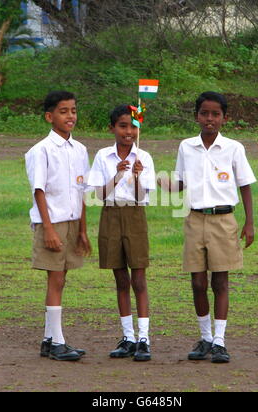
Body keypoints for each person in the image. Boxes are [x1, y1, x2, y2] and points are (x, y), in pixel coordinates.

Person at [158, 91, 256, 363]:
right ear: (196, 116)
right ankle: (205, 338)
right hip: (194, 219)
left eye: (215, 114)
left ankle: (220, 342)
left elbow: (245, 185)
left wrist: (249, 222)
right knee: (198, 281)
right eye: (204, 113)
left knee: (220, 281)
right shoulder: (186, 147)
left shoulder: (234, 148)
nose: (209, 119)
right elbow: (180, 183)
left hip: (223, 220)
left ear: (225, 118)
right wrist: (161, 182)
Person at [25, 91, 92, 361]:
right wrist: (49, 229)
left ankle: (48, 339)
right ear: (49, 116)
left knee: (62, 278)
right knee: (55, 278)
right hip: (51, 222)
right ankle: (57, 343)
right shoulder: (40, 150)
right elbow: (39, 191)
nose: (70, 116)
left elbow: (83, 191)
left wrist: (84, 231)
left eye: (73, 110)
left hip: (73, 221)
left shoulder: (80, 150)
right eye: (63, 111)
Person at [88, 104, 156, 361]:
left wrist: (137, 176)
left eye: (133, 126)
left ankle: (144, 338)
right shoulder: (103, 156)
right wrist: (118, 175)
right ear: (112, 128)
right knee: (120, 278)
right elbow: (99, 195)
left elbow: (141, 198)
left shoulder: (144, 157)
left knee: (138, 278)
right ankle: (127, 337)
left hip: (135, 216)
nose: (129, 132)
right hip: (111, 214)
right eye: (123, 126)